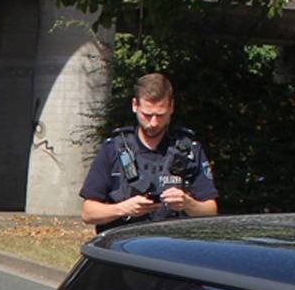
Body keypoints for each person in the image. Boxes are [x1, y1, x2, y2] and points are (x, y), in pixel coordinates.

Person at [81, 73, 218, 233]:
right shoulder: (113, 148)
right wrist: (123, 208)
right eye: (147, 115)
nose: (153, 123)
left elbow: (211, 211)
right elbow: (88, 213)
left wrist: (188, 203)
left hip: (170, 245)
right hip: (122, 246)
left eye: (160, 115)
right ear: (135, 105)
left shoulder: (189, 150)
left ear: (171, 107)